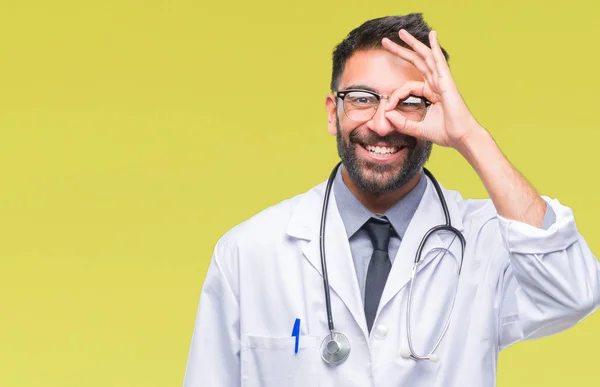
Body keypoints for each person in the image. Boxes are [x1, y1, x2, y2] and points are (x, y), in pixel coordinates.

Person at [182, 13, 600, 387]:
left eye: (410, 102)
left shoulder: (487, 243)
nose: (383, 124)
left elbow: (572, 293)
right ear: (333, 112)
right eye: (362, 99)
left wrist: (470, 136)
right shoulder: (249, 251)